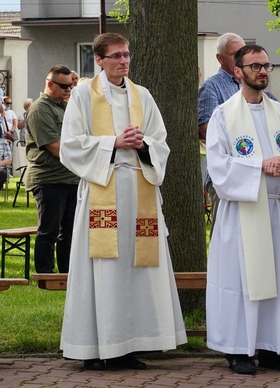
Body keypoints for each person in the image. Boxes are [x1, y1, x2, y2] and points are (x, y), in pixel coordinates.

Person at [59, 32, 186, 371]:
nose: (123, 61)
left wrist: (144, 146)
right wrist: (113, 142)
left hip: (139, 188)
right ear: (98, 60)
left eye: (126, 55)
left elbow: (161, 141)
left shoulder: (142, 95)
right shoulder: (84, 95)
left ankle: (129, 344)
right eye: (115, 56)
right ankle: (96, 347)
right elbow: (71, 145)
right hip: (105, 187)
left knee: (135, 269)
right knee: (104, 269)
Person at [205, 44, 280, 375]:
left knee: (277, 280)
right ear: (238, 72)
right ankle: (237, 350)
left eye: (266, 66)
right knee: (239, 281)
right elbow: (219, 168)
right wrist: (261, 166)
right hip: (242, 213)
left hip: (277, 211)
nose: (263, 71)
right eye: (255, 66)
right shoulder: (223, 115)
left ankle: (272, 348)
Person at [25, 65, 79, 273]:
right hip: (49, 178)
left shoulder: (64, 107)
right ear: (50, 84)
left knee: (69, 231)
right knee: (49, 231)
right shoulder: (40, 109)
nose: (68, 90)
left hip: (70, 177)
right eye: (64, 86)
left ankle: (67, 273)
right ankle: (45, 274)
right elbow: (55, 147)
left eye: (71, 85)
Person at [198, 33, 246, 225]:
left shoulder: (250, 84)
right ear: (220, 58)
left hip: (252, 171)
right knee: (226, 233)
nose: (241, 59)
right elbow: (205, 130)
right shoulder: (211, 87)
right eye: (235, 54)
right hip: (225, 174)